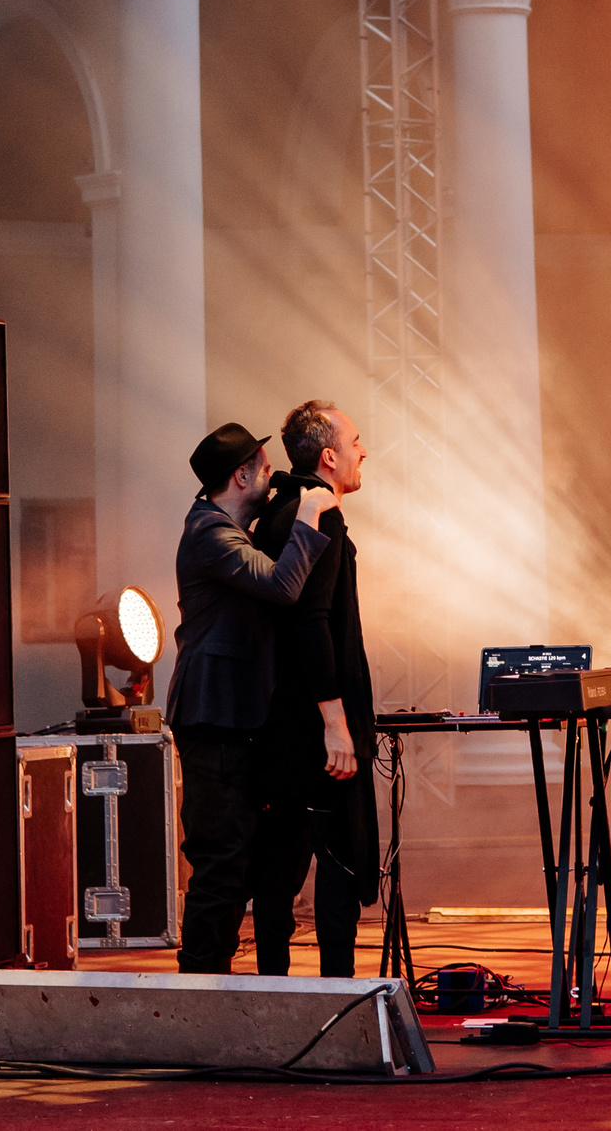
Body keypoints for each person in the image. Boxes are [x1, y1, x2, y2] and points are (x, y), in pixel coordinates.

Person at [169, 422, 337, 974]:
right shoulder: (208, 533)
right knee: (219, 863)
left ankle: (217, 988)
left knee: (236, 861)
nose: (273, 476)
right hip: (212, 715)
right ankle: (197, 995)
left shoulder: (229, 528)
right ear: (241, 475)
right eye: (265, 469)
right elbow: (282, 587)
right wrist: (310, 517)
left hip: (237, 717)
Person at [249, 400, 379, 978]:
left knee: (279, 860)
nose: (363, 451)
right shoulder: (319, 509)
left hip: (280, 721)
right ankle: (335, 997)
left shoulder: (280, 511)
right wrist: (337, 722)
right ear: (328, 456)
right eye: (355, 441)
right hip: (314, 723)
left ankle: (273, 994)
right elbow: (312, 621)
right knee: (336, 856)